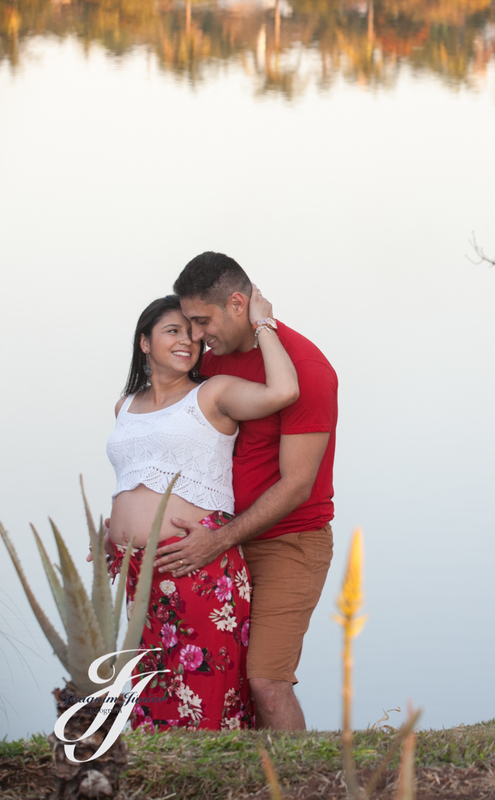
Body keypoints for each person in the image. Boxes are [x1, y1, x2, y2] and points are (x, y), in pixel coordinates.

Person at [154, 251, 338, 731]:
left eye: (201, 321)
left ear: (238, 304)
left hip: (288, 543)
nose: (195, 336)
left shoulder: (306, 366)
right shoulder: (209, 365)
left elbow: (297, 485)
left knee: (267, 683)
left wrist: (221, 537)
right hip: (222, 543)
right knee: (222, 680)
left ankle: (302, 783)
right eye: (187, 324)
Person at [105, 289, 299, 731]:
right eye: (172, 331)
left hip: (196, 564)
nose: (187, 342)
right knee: (148, 692)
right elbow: (135, 476)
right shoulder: (124, 406)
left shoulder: (213, 394)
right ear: (143, 342)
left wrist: (263, 323)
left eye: (193, 335)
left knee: (206, 692)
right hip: (139, 576)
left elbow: (285, 390)